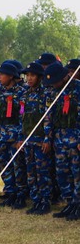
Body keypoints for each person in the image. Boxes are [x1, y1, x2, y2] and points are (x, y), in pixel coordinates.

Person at [43, 62, 80, 221]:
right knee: (62, 173)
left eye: (56, 81)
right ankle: (70, 203)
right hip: (59, 139)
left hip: (75, 138)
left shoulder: (78, 89)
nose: (54, 84)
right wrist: (47, 137)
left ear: (65, 76)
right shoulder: (53, 92)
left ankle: (78, 205)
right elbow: (48, 117)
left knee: (77, 173)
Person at [0, 60, 27, 209]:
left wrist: (20, 138)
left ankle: (21, 195)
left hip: (14, 136)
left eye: (2, 74)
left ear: (11, 76)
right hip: (1, 136)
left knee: (17, 166)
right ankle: (10, 192)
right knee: (3, 165)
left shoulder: (21, 93)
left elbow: (22, 116)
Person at [20, 61, 53, 215]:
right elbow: (22, 117)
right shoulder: (24, 94)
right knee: (31, 172)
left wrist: (47, 139)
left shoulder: (46, 94)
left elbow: (48, 118)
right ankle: (36, 200)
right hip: (28, 140)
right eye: (27, 75)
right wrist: (21, 137)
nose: (29, 78)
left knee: (42, 172)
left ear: (40, 77)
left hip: (40, 140)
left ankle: (45, 201)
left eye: (32, 75)